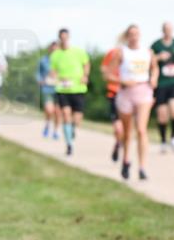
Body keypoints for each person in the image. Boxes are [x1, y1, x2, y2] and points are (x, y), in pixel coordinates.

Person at [107, 25, 158, 180]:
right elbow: (109, 74)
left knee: (142, 129)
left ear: (140, 35)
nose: (134, 37)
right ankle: (126, 160)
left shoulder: (148, 52)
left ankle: (142, 167)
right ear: (127, 36)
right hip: (126, 93)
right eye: (131, 34)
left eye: (136, 34)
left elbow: (155, 68)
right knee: (127, 131)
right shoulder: (121, 53)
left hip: (143, 91)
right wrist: (122, 80)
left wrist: (154, 78)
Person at [49, 28, 91, 156]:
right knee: (66, 114)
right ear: (59, 38)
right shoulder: (55, 55)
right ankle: (69, 144)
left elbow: (86, 64)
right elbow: (53, 71)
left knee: (77, 118)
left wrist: (85, 76)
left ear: (69, 37)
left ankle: (72, 128)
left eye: (65, 37)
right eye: (61, 38)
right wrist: (56, 77)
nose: (64, 40)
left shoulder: (78, 52)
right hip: (62, 88)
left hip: (78, 88)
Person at [152, 22, 174, 153]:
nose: (168, 31)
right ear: (162, 30)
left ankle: (173, 137)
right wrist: (159, 57)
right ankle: (163, 141)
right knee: (162, 115)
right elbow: (149, 59)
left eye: (170, 29)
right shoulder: (156, 45)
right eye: (166, 29)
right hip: (161, 83)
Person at [100, 42, 125, 161]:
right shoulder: (112, 53)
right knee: (118, 127)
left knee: (127, 126)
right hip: (114, 91)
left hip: (131, 93)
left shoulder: (137, 54)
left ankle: (120, 143)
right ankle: (118, 142)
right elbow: (104, 70)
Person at [36, 41, 61, 140]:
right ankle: (47, 124)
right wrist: (40, 81)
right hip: (47, 88)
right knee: (49, 110)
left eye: (56, 49)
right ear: (49, 49)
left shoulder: (61, 60)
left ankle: (56, 131)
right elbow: (38, 73)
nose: (54, 51)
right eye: (52, 49)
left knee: (58, 112)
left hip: (59, 89)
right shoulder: (43, 60)